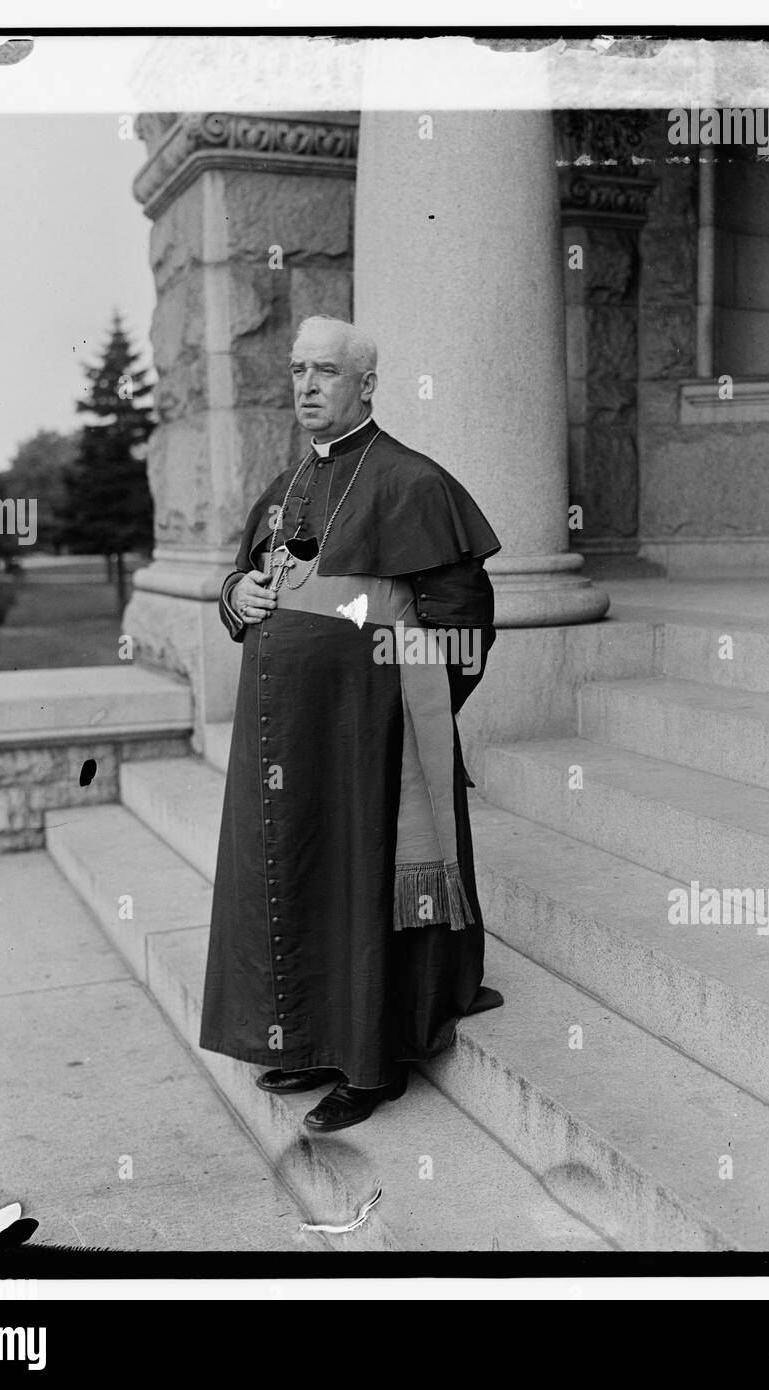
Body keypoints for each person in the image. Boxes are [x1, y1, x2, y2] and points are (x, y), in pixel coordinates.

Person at [198, 315, 504, 1132]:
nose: (304, 385)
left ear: (365, 384)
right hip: (284, 739)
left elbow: (464, 620)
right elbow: (248, 572)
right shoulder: (289, 482)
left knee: (361, 887)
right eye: (298, 369)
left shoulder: (413, 483)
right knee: (301, 879)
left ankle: (374, 1065)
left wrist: (404, 713)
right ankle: (306, 1038)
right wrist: (240, 596)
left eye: (324, 371)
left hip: (368, 738)